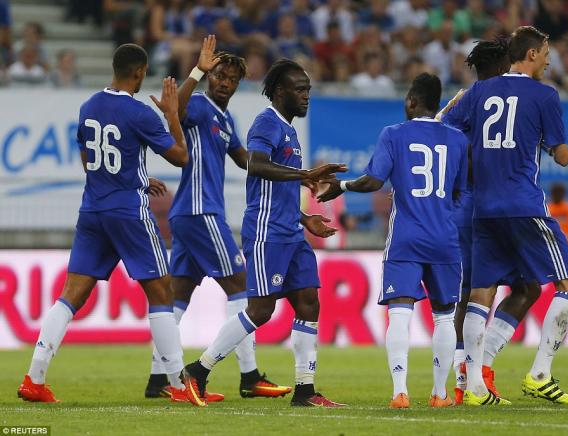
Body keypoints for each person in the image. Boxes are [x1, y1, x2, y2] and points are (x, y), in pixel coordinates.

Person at [17, 43, 190, 403]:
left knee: (71, 294)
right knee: (161, 291)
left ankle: (34, 378)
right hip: (128, 213)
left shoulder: (89, 105)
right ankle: (177, 384)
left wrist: (136, 179)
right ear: (140, 72)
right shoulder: (140, 112)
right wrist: (173, 115)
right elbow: (181, 158)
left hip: (93, 210)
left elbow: (89, 161)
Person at [180, 59, 348, 408]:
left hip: (291, 233)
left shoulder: (289, 129)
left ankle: (305, 390)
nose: (306, 96)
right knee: (259, 310)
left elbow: (279, 188)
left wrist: (305, 219)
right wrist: (304, 174)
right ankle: (198, 370)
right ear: (280, 91)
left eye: (308, 90)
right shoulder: (266, 123)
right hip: (266, 234)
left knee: (308, 302)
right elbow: (255, 165)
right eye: (300, 90)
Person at [144, 36, 292, 400]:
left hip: (191, 215)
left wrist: (285, 163)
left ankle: (159, 379)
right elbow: (173, 110)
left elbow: (246, 160)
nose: (224, 83)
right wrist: (196, 70)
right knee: (243, 287)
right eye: (219, 76)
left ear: (239, 84)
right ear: (211, 76)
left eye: (231, 79)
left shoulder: (226, 119)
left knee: (176, 296)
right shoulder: (197, 104)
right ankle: (249, 375)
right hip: (200, 212)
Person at [448, 26, 568, 406]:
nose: (548, 60)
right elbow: (561, 154)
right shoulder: (544, 95)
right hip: (524, 206)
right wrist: (556, 148)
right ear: (528, 56)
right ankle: (540, 373)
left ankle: (475, 384)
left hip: (483, 209)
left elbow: (448, 131)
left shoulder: (477, 92)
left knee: (480, 294)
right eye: (544, 53)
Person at [319, 73, 468, 409]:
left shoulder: (394, 134)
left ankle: (400, 392)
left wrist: (341, 186)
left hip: (407, 237)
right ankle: (439, 394)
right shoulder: (457, 140)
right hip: (444, 237)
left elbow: (373, 181)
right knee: (445, 316)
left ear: (412, 101)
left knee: (400, 312)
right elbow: (461, 191)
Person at [440, 38, 542, 404]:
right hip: (495, 203)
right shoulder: (505, 96)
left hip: (463, 206)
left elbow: (438, 134)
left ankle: (464, 378)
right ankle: (478, 371)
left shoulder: (465, 100)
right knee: (527, 287)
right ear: (504, 65)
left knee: (473, 291)